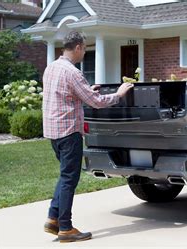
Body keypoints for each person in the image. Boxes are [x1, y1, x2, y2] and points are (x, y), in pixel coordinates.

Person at [42, 31, 133, 243]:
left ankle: (53, 218)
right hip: (69, 132)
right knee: (69, 179)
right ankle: (65, 228)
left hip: (53, 132)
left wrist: (86, 91)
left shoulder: (52, 67)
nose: (84, 52)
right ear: (77, 48)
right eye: (84, 48)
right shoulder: (73, 73)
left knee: (65, 175)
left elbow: (65, 95)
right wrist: (119, 94)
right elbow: (96, 102)